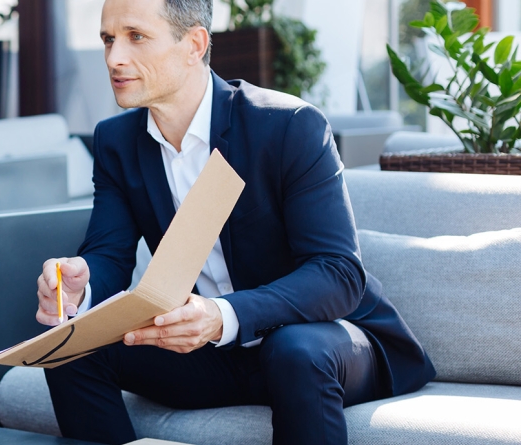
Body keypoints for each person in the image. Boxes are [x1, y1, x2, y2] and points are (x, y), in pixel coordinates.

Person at [32, 1, 435, 444]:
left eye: (136, 37)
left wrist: (223, 315)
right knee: (67, 347)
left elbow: (338, 274)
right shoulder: (116, 141)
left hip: (324, 345)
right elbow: (108, 255)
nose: (114, 58)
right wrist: (80, 287)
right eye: (108, 40)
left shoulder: (286, 126)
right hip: (213, 354)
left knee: (293, 350)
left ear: (195, 44)